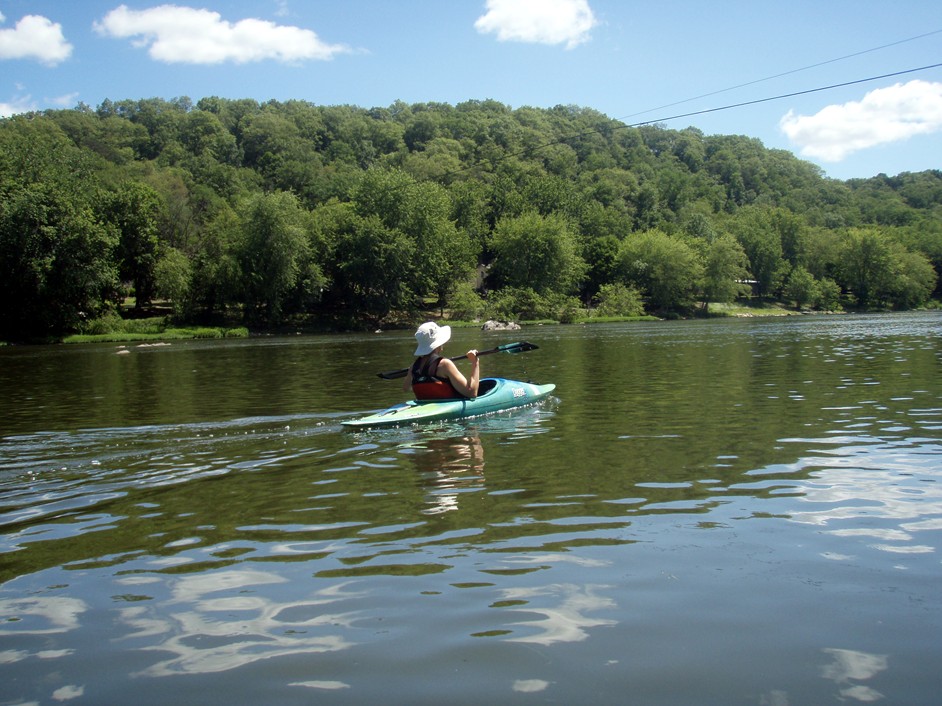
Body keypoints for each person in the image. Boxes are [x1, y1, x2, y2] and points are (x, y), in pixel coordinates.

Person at [403, 322, 479, 400]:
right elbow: (471, 393)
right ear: (439, 344)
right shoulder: (445, 364)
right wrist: (475, 363)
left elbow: (406, 388)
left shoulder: (414, 367)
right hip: (448, 409)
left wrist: (415, 374)